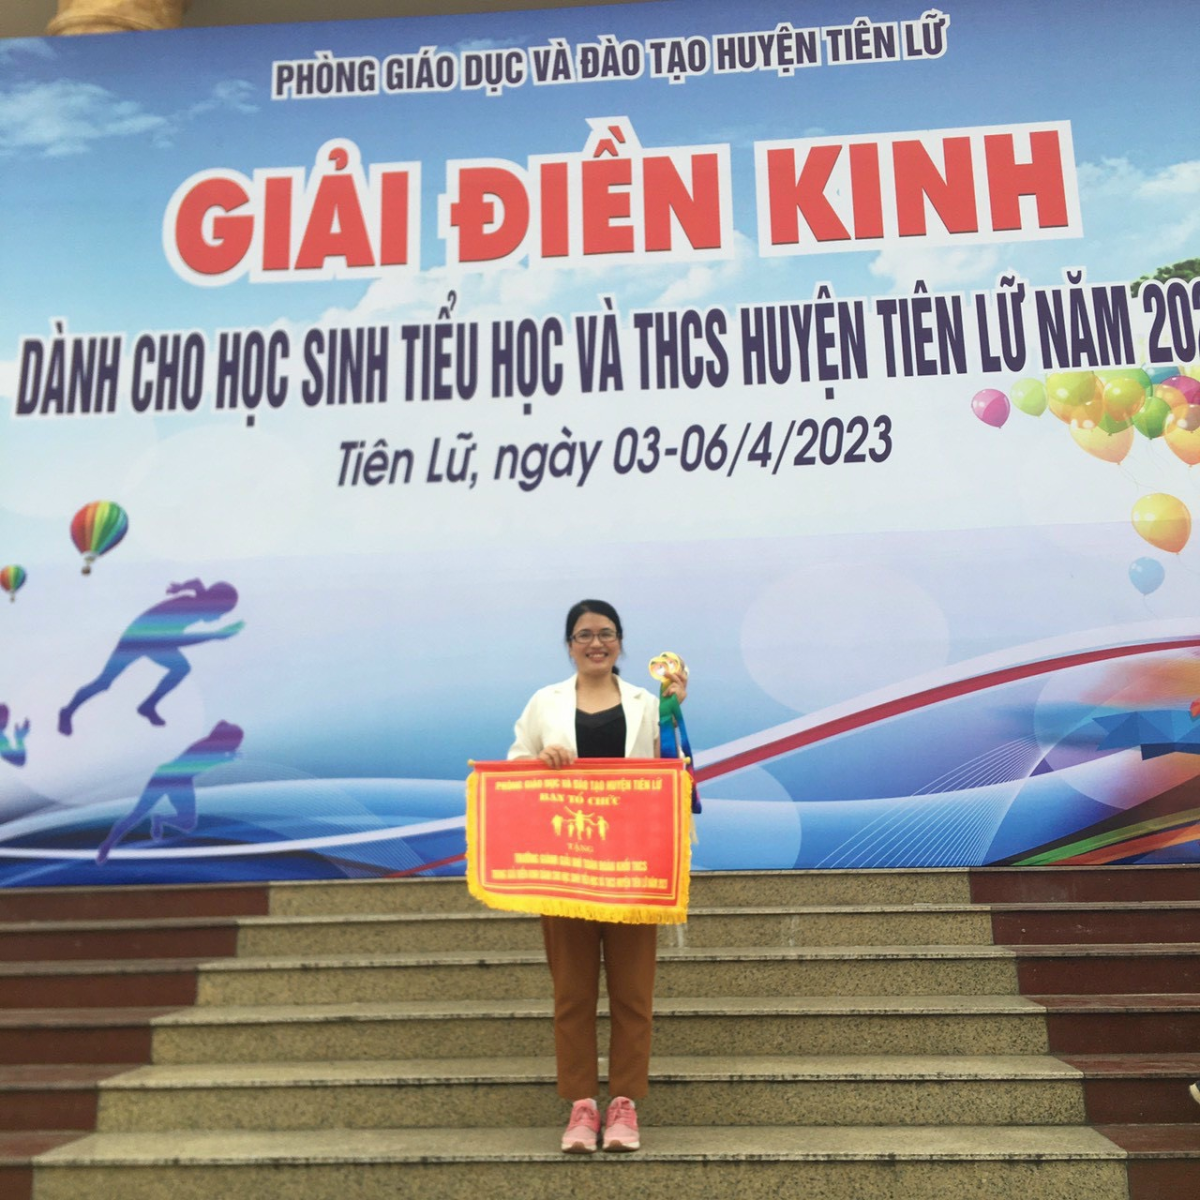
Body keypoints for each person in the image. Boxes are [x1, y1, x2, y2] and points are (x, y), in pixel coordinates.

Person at [508, 599, 687, 1155]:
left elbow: (669, 774)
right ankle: (582, 1105)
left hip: (633, 869)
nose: (596, 643)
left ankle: (624, 1104)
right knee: (573, 993)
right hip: (566, 869)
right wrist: (540, 761)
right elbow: (511, 771)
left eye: (606, 633)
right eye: (584, 634)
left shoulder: (647, 703)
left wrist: (674, 713)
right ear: (569, 646)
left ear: (620, 642)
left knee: (633, 994)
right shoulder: (544, 702)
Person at [59, 579, 243, 734]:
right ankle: (67, 712)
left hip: (156, 641)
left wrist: (180, 587)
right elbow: (175, 640)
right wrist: (213, 635)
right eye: (220, 612)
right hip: (136, 640)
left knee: (181, 668)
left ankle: (148, 706)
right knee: (104, 682)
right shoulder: (189, 607)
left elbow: (197, 583)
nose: (218, 617)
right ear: (213, 603)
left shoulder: (200, 600)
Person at [96, 720, 243, 865]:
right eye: (236, 743)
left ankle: (160, 819)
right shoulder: (208, 747)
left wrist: (227, 757)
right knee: (138, 813)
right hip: (167, 777)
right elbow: (211, 759)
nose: (236, 746)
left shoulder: (214, 748)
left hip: (181, 781)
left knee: (188, 823)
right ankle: (108, 844)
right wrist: (227, 757)